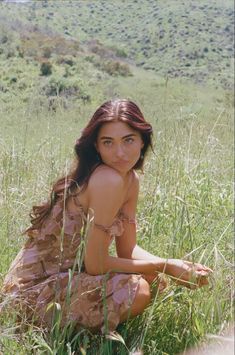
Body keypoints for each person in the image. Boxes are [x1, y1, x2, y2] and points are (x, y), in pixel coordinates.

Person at [1, 99, 213, 333]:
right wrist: (166, 265)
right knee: (139, 291)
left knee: (152, 279)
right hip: (29, 294)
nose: (119, 153)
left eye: (128, 140)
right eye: (108, 142)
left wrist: (175, 266)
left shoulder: (130, 179)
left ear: (143, 140)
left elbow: (128, 249)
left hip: (69, 276)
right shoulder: (106, 179)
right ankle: (64, 337)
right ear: (96, 146)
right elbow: (96, 265)